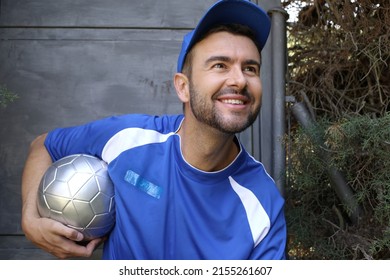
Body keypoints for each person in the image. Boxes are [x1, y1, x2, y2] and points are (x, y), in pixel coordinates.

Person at [21, 0, 287, 260]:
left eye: (250, 68)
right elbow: (44, 145)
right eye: (220, 65)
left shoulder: (263, 206)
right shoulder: (129, 139)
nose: (239, 80)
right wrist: (30, 220)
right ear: (183, 87)